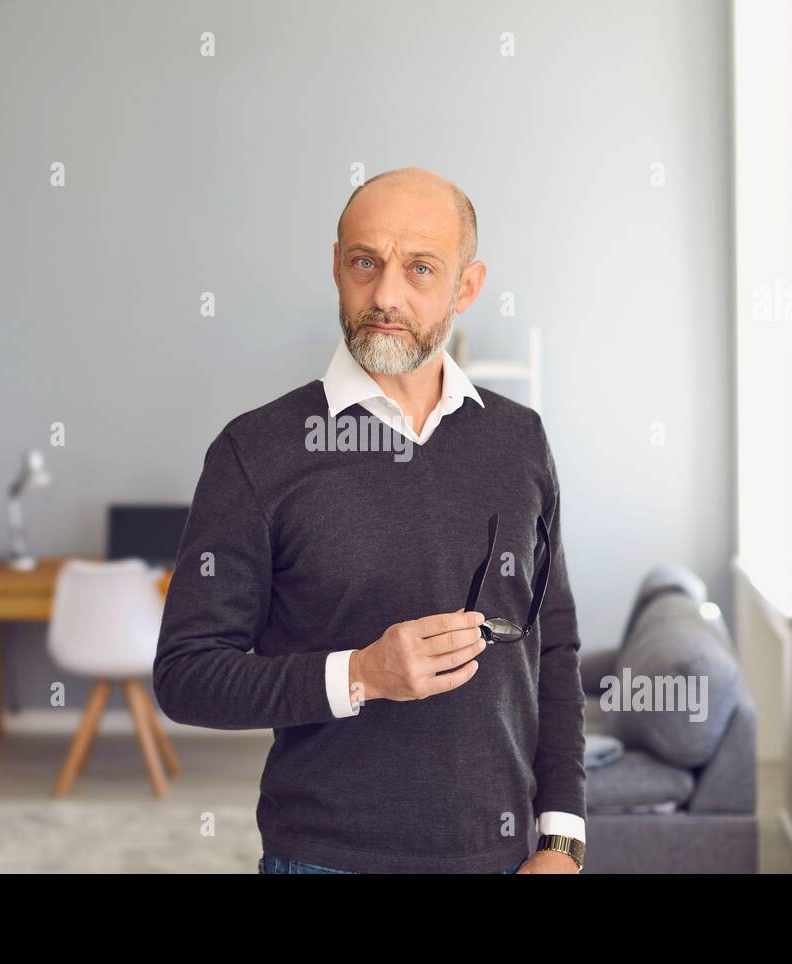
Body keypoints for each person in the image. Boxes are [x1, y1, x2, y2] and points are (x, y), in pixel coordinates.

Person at [154, 167, 586, 874]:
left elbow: (554, 646)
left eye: (420, 269)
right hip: (325, 859)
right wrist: (361, 675)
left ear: (467, 287)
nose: (385, 295)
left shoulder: (519, 442)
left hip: (504, 860)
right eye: (365, 262)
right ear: (336, 267)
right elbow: (186, 675)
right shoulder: (255, 451)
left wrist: (562, 841)